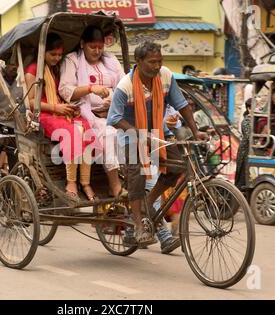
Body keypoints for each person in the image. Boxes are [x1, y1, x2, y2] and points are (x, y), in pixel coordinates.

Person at [107, 41, 207, 245]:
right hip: (130, 137)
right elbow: (114, 118)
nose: (157, 66)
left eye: (160, 61)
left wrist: (196, 131)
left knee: (177, 165)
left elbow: (182, 105)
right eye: (152, 62)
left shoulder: (166, 76)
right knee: (137, 175)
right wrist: (136, 132)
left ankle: (149, 201)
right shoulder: (125, 86)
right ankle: (137, 223)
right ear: (139, 61)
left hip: (156, 134)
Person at [25, 32, 97, 201]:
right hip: (43, 114)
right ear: (43, 53)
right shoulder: (33, 70)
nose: (57, 58)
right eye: (53, 54)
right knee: (72, 132)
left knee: (86, 128)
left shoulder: (56, 68)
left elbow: (61, 94)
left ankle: (85, 182)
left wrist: (71, 109)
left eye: (59, 54)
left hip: (59, 110)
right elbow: (30, 102)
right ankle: (71, 182)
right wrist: (56, 108)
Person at [59, 25, 125, 198]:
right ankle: (115, 186)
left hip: (113, 113)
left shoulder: (111, 60)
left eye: (100, 47)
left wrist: (115, 101)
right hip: (86, 116)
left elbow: (124, 86)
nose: (97, 51)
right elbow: (66, 90)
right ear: (82, 44)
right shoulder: (72, 60)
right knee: (109, 134)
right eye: (92, 47)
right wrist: (90, 89)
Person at [235, 99, 251, 189]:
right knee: (242, 175)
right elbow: (249, 136)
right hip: (245, 151)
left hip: (250, 151)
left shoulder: (254, 119)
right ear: (249, 109)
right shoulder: (246, 121)